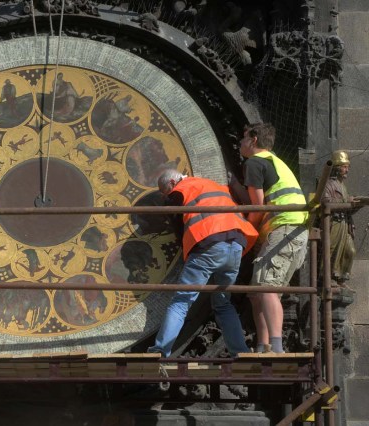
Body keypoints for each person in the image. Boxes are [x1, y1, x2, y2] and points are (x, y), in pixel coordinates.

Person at [147, 169, 258, 357]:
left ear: (173, 183)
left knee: (181, 302)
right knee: (223, 304)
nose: (168, 196)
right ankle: (240, 352)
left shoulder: (180, 191)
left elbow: (178, 228)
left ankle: (160, 351)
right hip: (236, 245)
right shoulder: (212, 184)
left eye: (166, 192)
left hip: (209, 244)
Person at [239, 123, 308, 354]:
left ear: (254, 140)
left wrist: (245, 236)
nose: (240, 143)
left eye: (243, 138)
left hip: (284, 227)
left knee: (267, 287)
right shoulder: (274, 161)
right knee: (258, 292)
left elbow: (257, 207)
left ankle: (276, 348)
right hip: (290, 230)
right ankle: (264, 345)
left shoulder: (254, 162)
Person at [322, 150, 356, 288]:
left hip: (344, 222)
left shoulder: (342, 185)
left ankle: (342, 277)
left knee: (350, 250)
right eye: (344, 166)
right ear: (336, 168)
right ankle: (330, 277)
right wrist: (346, 202)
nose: (347, 169)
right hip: (334, 222)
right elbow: (325, 201)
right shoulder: (329, 184)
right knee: (332, 249)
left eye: (348, 166)